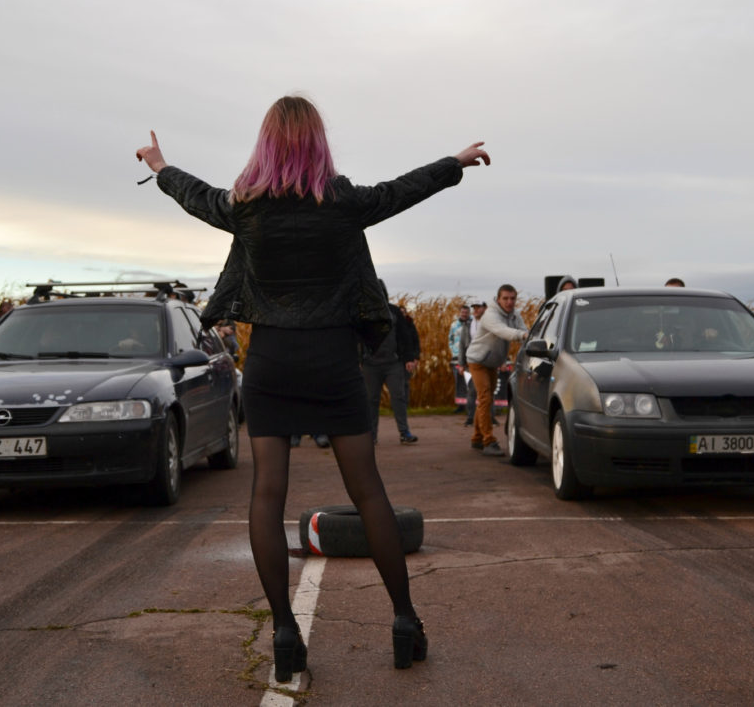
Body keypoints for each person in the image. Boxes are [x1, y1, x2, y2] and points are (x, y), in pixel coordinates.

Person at [136, 94, 490, 677]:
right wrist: (454, 162)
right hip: (332, 359)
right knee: (369, 493)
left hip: (272, 359)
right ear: (318, 143)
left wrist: (158, 165)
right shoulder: (343, 202)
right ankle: (404, 621)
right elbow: (401, 191)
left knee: (267, 495)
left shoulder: (244, 207)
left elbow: (195, 197)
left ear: (266, 143)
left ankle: (283, 635)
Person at [465, 285, 527, 456]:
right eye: (505, 298)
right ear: (498, 299)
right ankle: (488, 441)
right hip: (478, 360)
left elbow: (524, 330)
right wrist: (523, 336)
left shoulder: (515, 315)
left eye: (512, 298)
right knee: (485, 397)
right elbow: (504, 332)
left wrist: (531, 338)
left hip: (492, 363)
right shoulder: (490, 315)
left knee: (487, 398)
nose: (509, 302)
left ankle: (477, 437)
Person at [362, 280, 419, 445]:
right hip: (370, 364)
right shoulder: (364, 313)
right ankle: (371, 435)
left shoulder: (394, 311)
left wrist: (408, 358)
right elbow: (357, 338)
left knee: (398, 397)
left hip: (393, 363)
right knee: (371, 399)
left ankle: (404, 432)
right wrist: (358, 358)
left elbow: (404, 336)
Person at [447, 305, 470, 413]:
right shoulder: (454, 325)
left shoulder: (472, 325)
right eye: (462, 312)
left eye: (466, 312)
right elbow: (450, 339)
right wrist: (453, 350)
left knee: (469, 381)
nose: (464, 314)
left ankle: (470, 404)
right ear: (460, 313)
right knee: (459, 382)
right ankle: (461, 405)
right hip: (456, 357)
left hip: (469, 357)